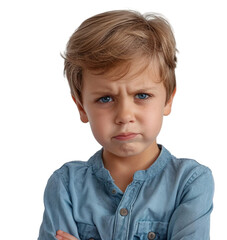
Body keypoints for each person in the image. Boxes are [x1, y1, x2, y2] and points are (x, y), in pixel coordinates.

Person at [38, 10, 214, 240]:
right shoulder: (65, 186)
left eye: (141, 95)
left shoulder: (190, 182)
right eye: (105, 99)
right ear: (82, 107)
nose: (124, 115)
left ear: (168, 100)